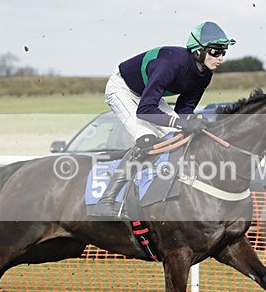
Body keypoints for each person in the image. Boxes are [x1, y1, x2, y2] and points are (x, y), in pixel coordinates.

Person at [91, 21, 235, 219]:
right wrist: (180, 122)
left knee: (178, 137)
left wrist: (192, 123)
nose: (220, 58)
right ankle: (106, 200)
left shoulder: (204, 75)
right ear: (198, 51)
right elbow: (144, 110)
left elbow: (184, 109)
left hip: (147, 95)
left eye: (223, 53)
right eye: (215, 52)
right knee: (147, 139)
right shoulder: (171, 64)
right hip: (122, 89)